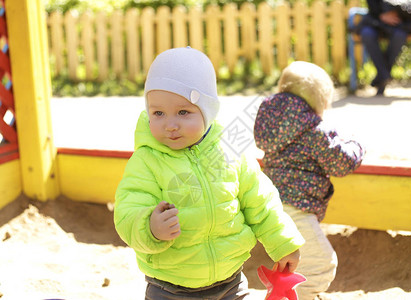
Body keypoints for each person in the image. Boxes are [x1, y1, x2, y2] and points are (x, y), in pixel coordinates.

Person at [113, 47, 305, 300]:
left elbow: (260, 201)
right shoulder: (146, 161)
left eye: (183, 112)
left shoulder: (230, 152)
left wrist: (284, 244)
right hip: (170, 287)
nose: (170, 124)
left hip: (231, 282)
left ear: (207, 111)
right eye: (158, 113)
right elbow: (127, 210)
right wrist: (150, 227)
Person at [253, 61, 365, 300]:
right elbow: (341, 162)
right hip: (297, 210)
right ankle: (300, 296)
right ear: (319, 103)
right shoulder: (314, 131)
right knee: (322, 264)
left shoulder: (272, 128)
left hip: (272, 207)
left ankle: (282, 292)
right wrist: (356, 145)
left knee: (293, 261)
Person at [358, 0, 411, 95]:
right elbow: (372, 5)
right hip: (376, 21)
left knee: (399, 36)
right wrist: (381, 16)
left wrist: (397, 12)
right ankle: (384, 75)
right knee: (367, 34)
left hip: (400, 22)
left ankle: (381, 77)